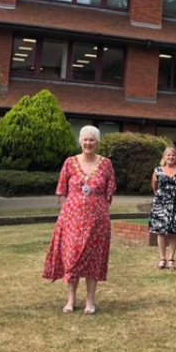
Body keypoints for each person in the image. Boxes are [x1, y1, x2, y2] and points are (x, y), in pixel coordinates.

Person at [43, 125, 116, 315]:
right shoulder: (70, 162)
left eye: (92, 140)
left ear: (98, 142)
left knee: (93, 258)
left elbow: (110, 192)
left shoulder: (106, 164)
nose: (88, 143)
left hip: (97, 219)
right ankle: (71, 299)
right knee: (71, 257)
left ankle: (90, 301)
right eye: (85, 139)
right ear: (80, 141)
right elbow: (62, 188)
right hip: (72, 218)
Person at [149, 146, 176, 271]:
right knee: (161, 231)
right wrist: (162, 197)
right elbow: (154, 187)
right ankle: (162, 258)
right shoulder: (157, 170)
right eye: (168, 155)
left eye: (173, 155)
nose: (171, 157)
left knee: (174, 231)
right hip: (161, 204)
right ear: (164, 157)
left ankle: (171, 258)